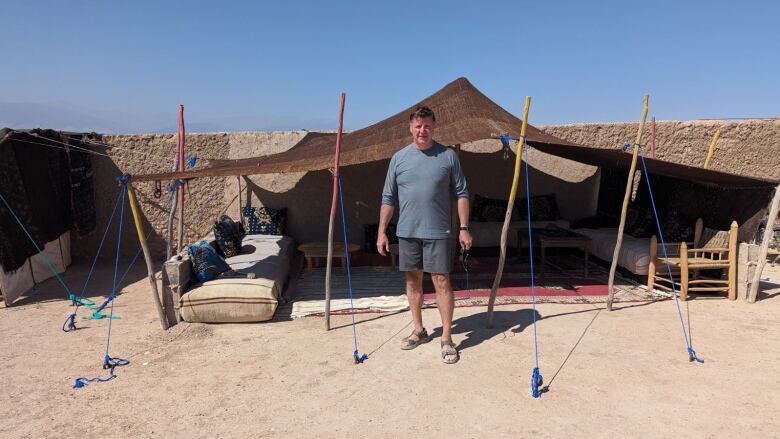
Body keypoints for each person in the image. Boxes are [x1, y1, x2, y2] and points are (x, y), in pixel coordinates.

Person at [377, 106, 471, 364]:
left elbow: (462, 193)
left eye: (427, 125)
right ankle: (419, 330)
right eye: (418, 126)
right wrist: (382, 231)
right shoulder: (398, 158)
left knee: (442, 281)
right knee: (412, 281)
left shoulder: (448, 156)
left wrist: (464, 228)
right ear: (410, 128)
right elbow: (388, 197)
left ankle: (447, 338)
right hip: (407, 231)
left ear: (433, 126)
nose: (422, 130)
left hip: (439, 231)